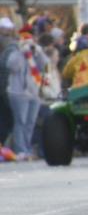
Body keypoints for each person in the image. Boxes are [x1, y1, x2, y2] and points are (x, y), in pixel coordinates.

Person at [5, 26, 48, 160]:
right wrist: (21, 52)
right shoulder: (14, 50)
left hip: (34, 92)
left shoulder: (35, 52)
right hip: (18, 92)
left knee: (30, 122)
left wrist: (38, 52)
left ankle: (27, 147)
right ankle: (20, 149)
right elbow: (12, 66)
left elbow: (45, 65)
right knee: (20, 121)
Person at [0, 17, 18, 146]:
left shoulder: (9, 46)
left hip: (5, 86)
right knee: (7, 119)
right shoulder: (10, 46)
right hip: (5, 87)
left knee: (5, 119)